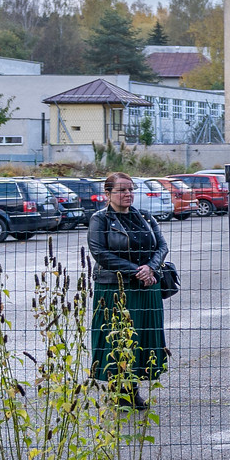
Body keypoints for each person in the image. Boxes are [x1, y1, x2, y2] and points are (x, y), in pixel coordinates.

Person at [87, 171, 169, 410]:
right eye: (122, 190)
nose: (128, 194)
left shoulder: (144, 216)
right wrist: (136, 270)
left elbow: (162, 245)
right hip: (114, 288)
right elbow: (100, 253)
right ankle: (118, 390)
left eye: (131, 189)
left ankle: (132, 389)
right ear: (108, 193)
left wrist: (150, 268)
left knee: (142, 336)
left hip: (147, 286)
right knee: (118, 338)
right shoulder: (99, 219)